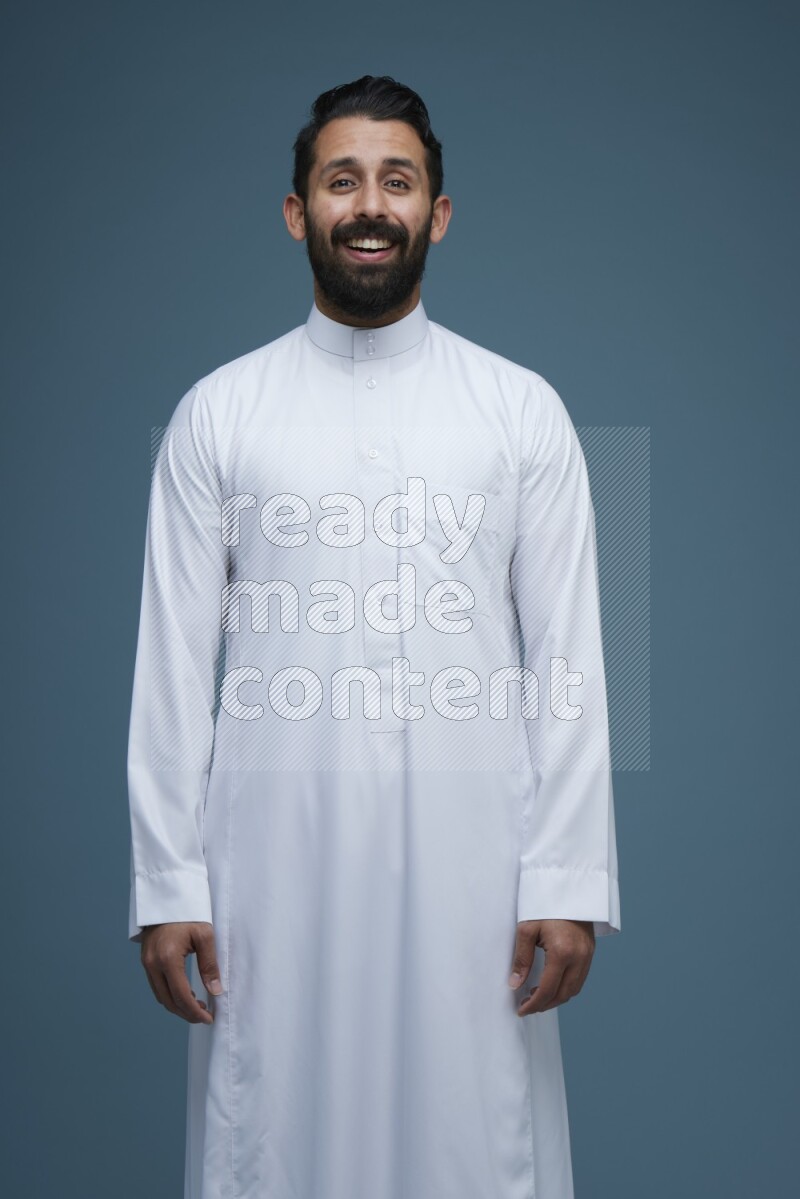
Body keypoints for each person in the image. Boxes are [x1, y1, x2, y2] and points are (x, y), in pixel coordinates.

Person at [127, 74, 620, 1199]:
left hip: (478, 867)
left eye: (396, 181)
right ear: (296, 210)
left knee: (474, 1134)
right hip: (268, 867)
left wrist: (567, 875)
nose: (369, 204)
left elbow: (572, 663)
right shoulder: (219, 413)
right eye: (340, 179)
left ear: (436, 213)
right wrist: (168, 882)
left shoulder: (520, 410)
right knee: (272, 1135)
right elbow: (168, 668)